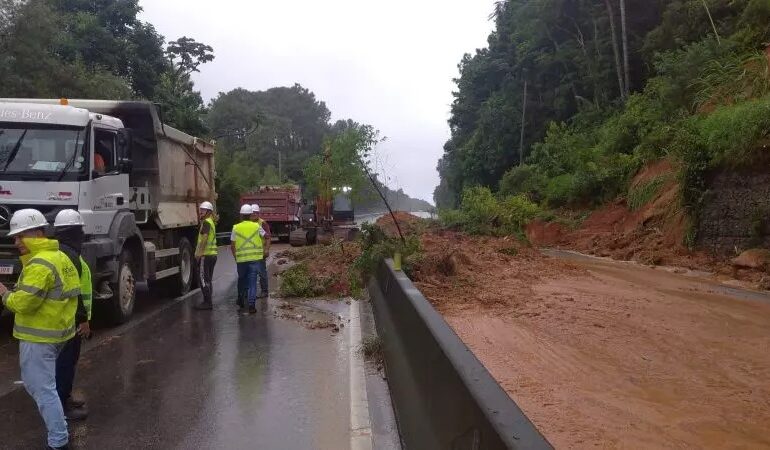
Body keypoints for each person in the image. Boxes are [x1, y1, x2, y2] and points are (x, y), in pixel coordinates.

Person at [0, 209, 81, 450]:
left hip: (39, 337)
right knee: (46, 387)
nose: (16, 242)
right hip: (59, 334)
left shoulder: (39, 264)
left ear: (36, 233)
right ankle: (59, 430)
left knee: (41, 388)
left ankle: (58, 441)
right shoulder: (61, 257)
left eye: (19, 236)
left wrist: (5, 294)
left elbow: (23, 303)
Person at [52, 210, 92, 421]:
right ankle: (62, 408)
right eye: (80, 230)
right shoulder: (70, 256)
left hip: (65, 319)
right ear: (75, 232)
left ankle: (65, 397)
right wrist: (83, 320)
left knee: (66, 363)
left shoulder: (62, 252)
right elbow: (73, 293)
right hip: (70, 321)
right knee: (65, 363)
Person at [231, 205, 266, 314]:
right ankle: (251, 305)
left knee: (241, 279)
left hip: (241, 260)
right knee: (252, 282)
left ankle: (241, 299)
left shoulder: (235, 227)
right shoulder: (256, 226)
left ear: (241, 215)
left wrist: (236, 257)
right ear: (251, 215)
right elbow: (265, 237)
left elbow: (233, 245)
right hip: (255, 259)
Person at [194, 201, 217, 311]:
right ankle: (208, 301)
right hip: (211, 255)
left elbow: (204, 238)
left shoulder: (206, 222)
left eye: (203, 210)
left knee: (203, 279)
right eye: (200, 210)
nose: (200, 212)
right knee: (208, 279)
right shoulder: (211, 221)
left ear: (208, 212)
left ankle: (207, 302)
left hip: (206, 255)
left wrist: (199, 253)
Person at [250, 204, 271, 299]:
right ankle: (251, 292)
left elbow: (268, 237)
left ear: (259, 213)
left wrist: (266, 249)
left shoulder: (262, 223)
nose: (254, 214)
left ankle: (264, 291)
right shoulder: (248, 223)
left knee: (262, 273)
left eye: (256, 212)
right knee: (251, 274)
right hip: (250, 254)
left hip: (260, 253)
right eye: (252, 212)